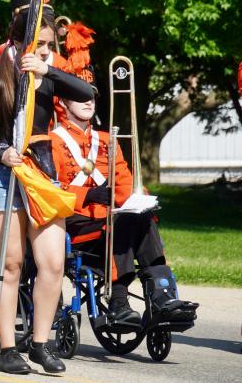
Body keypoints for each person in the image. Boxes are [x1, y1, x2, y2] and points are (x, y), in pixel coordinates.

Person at [0, 0, 93, 374]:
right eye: (38, 44)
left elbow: (86, 93)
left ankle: (41, 342)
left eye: (50, 45)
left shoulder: (50, 77)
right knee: (11, 263)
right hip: (1, 172)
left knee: (52, 262)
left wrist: (49, 70)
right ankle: (7, 347)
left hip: (42, 172)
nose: (45, 51)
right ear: (18, 43)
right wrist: (0, 152)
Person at [50, 95, 198, 325]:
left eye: (91, 97)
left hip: (111, 220)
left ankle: (162, 297)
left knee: (142, 218)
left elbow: (124, 181)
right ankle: (118, 301)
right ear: (62, 103)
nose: (89, 102)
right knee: (123, 222)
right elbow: (48, 187)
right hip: (74, 222)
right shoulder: (52, 140)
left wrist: (140, 200)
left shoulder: (107, 140)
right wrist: (86, 195)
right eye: (79, 98)